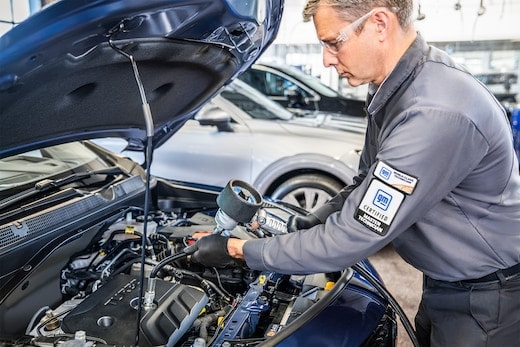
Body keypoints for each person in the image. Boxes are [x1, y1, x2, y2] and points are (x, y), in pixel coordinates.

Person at [190, 0, 520, 345]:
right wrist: (310, 223)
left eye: (334, 42)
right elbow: (367, 182)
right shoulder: (397, 87)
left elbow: (353, 236)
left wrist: (240, 251)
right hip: (447, 282)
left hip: (488, 298)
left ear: (379, 24)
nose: (326, 59)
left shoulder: (433, 113)